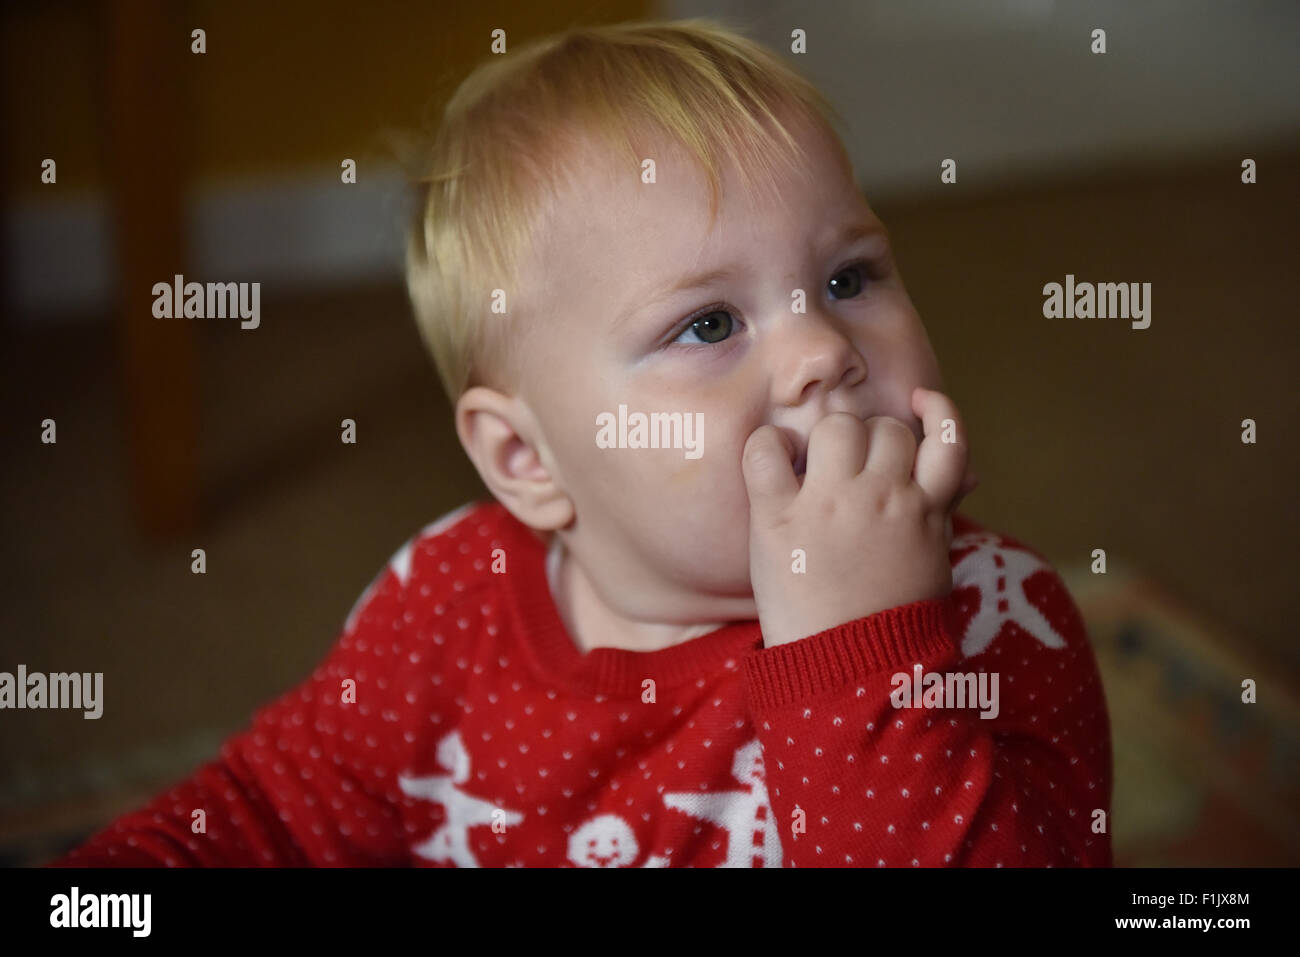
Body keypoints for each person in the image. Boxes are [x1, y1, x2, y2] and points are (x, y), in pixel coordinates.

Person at [52, 18, 1112, 868]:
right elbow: (266, 813)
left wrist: (862, 652)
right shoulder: (443, 605)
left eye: (848, 277)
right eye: (708, 323)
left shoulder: (995, 618)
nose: (822, 351)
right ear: (527, 461)